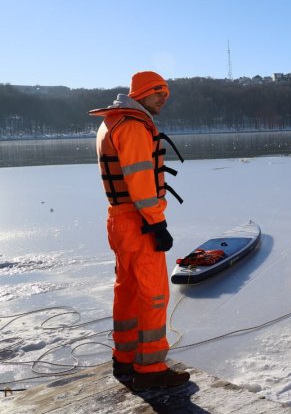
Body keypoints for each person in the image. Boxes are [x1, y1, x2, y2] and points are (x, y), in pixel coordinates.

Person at [89, 71, 188, 390]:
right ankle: (151, 368)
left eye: (167, 94)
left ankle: (125, 357)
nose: (164, 98)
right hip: (139, 221)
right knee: (153, 294)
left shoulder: (112, 122)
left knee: (128, 290)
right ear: (142, 92)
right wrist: (157, 223)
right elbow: (141, 182)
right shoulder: (132, 126)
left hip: (120, 220)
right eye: (159, 92)